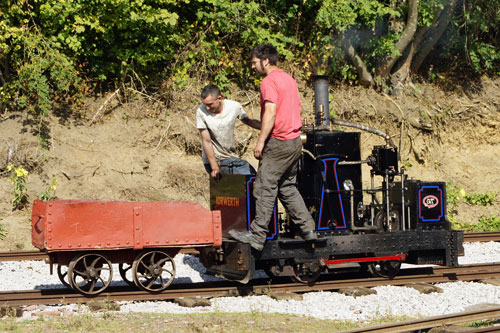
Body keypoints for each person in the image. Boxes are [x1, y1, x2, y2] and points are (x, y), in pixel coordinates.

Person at [229, 44, 317, 251]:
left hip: (278, 143)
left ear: (265, 61)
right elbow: (285, 114)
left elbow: (271, 113)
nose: (252, 67)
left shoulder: (268, 82)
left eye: (254, 62)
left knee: (263, 187)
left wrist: (260, 142)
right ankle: (309, 229)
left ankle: (257, 236)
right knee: (287, 187)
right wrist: (250, 121)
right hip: (295, 142)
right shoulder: (289, 79)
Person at [196, 84, 261, 180]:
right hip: (213, 159)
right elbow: (206, 141)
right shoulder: (201, 112)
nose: (207, 108)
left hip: (230, 157)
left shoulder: (234, 106)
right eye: (205, 104)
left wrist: (267, 128)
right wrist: (214, 167)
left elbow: (248, 121)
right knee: (250, 177)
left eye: (210, 104)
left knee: (248, 179)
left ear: (219, 98)